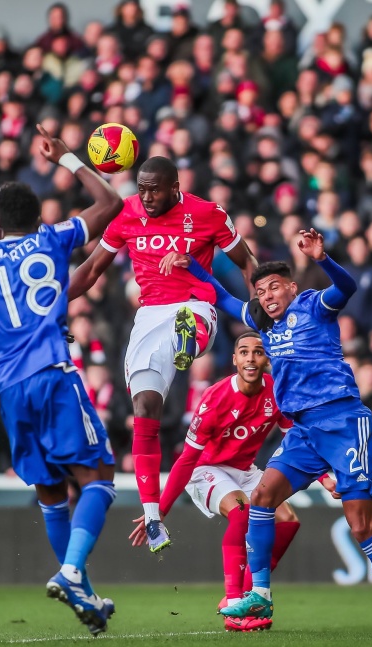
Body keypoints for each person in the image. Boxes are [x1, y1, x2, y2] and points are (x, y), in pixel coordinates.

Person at [170, 229, 372, 639]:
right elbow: (220, 296)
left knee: (361, 526)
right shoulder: (259, 321)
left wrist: (323, 258)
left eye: (275, 287)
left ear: (292, 288)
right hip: (304, 430)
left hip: (343, 423)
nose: (268, 295)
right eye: (261, 290)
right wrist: (193, 265)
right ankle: (261, 594)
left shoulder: (315, 305)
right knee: (262, 497)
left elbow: (348, 286)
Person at [0, 126, 122, 635]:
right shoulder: (53, 237)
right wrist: (68, 158)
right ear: (38, 217)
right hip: (53, 375)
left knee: (52, 493)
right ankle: (72, 570)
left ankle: (81, 592)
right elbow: (110, 203)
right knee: (99, 477)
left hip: (9, 389)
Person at [67, 155, 257, 553]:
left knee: (187, 326)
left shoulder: (207, 214)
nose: (148, 197)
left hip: (194, 304)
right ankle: (153, 518)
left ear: (176, 187)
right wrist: (52, 309)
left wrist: (260, 306)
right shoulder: (127, 215)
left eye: (156, 189)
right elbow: (90, 270)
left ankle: (188, 340)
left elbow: (247, 262)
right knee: (144, 408)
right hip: (149, 316)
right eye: (141, 189)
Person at [131, 332, 314, 632]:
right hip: (206, 469)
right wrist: (160, 510)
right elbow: (187, 459)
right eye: (244, 352)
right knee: (242, 512)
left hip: (243, 469)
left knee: (287, 520)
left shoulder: (277, 391)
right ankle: (233, 605)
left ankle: (245, 594)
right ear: (235, 359)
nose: (251, 358)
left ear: (267, 359)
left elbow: (295, 438)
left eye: (257, 352)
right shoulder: (215, 398)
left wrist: (323, 477)